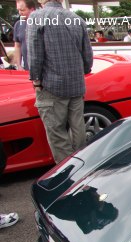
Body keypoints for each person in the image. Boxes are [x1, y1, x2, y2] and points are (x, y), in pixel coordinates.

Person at [27, 0, 93, 163]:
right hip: (76, 84)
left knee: (56, 132)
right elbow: (87, 55)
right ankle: (81, 165)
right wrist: (83, 71)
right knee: (78, 128)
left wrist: (36, 81)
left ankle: (66, 170)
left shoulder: (37, 17)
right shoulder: (77, 18)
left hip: (51, 84)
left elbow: (34, 55)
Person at [12, 0, 36, 70]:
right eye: (18, 10)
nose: (20, 12)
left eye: (22, 10)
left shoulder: (41, 23)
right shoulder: (18, 24)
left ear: (32, 9)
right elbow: (17, 46)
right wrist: (18, 65)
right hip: (26, 68)